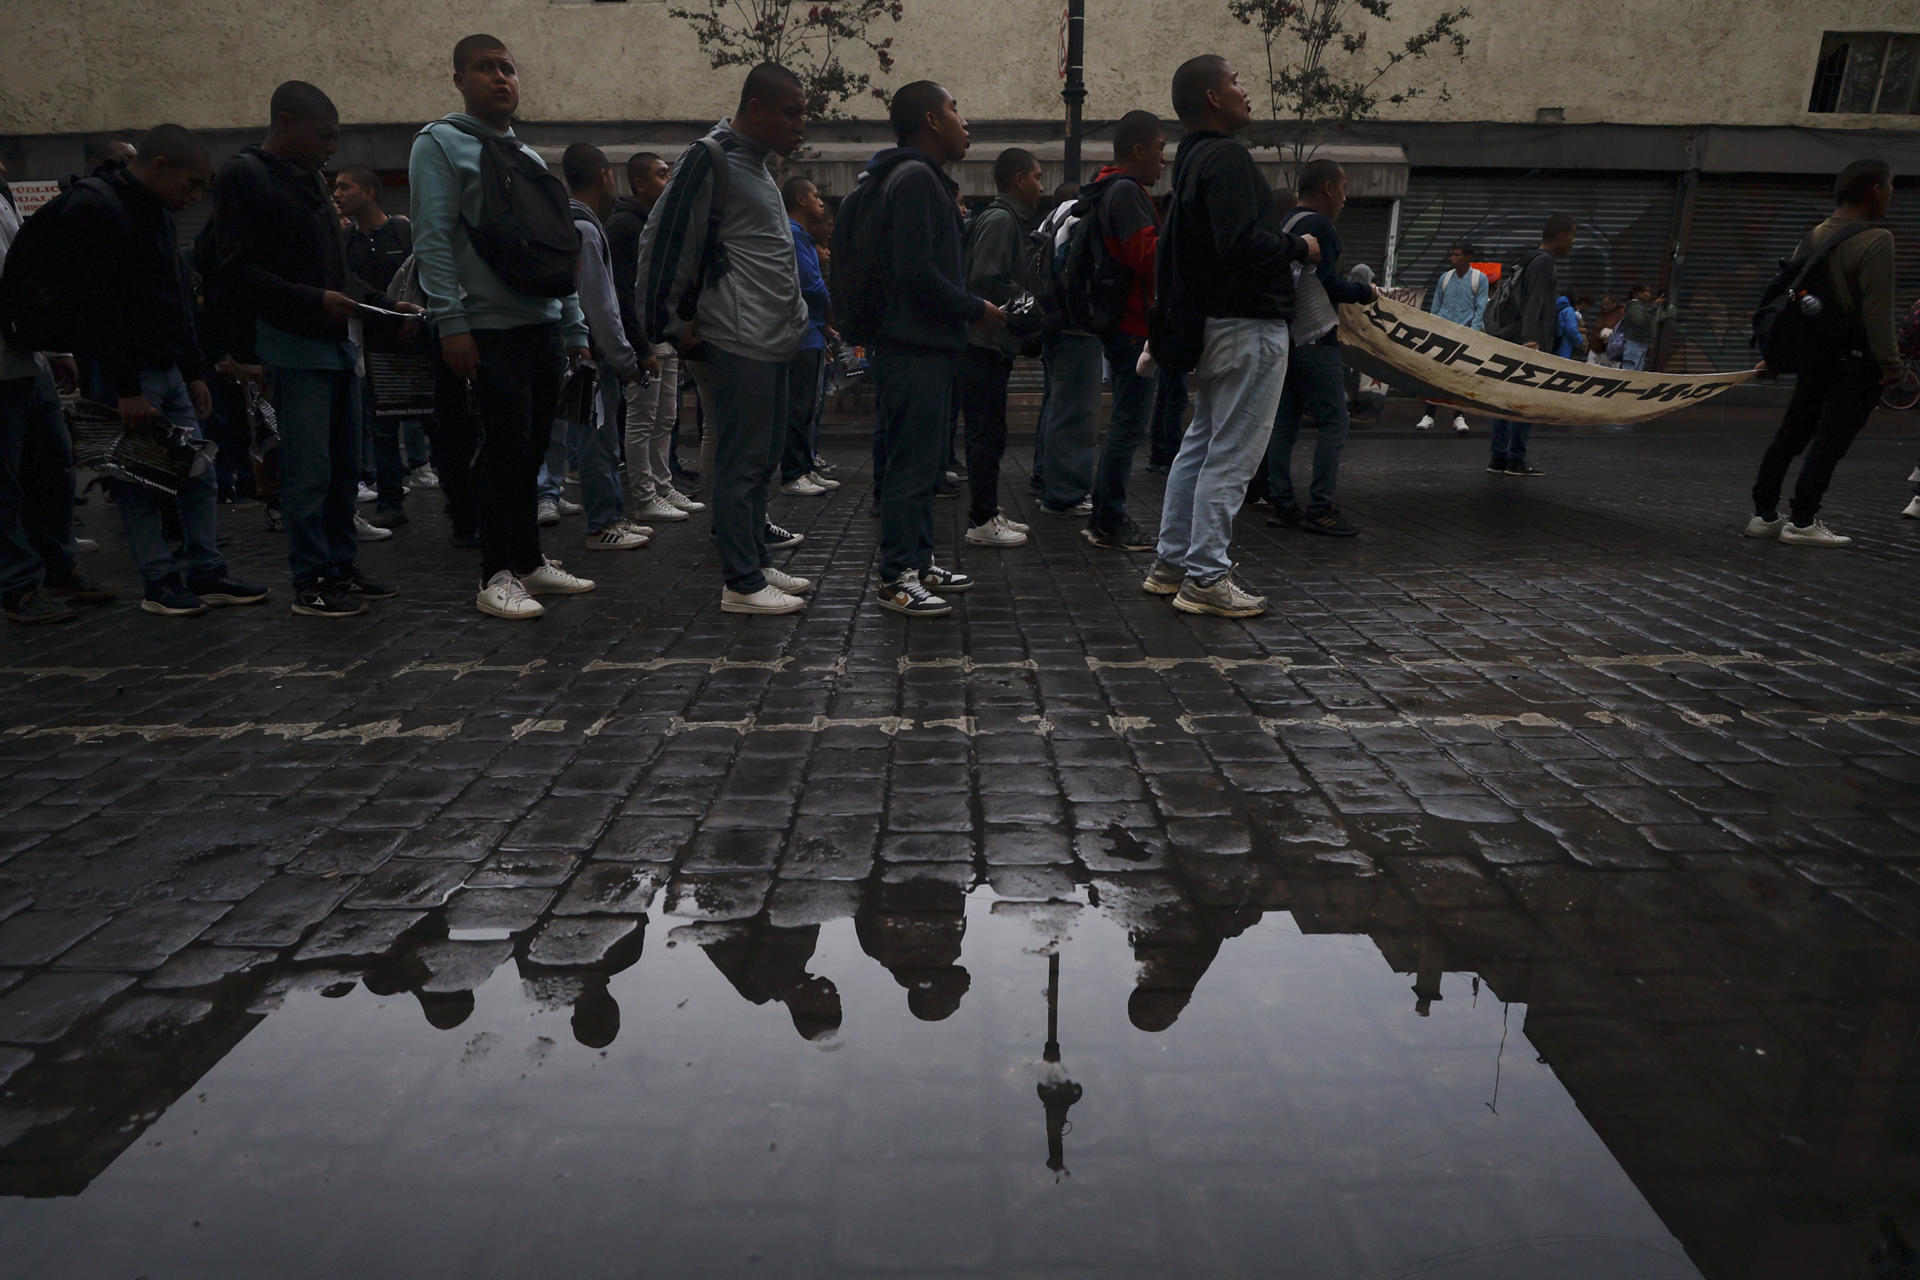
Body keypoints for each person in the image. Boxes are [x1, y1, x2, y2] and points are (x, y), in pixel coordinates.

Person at [410, 34, 597, 620]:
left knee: (534, 449)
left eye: (508, 68)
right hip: (487, 328)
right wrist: (451, 321)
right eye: (485, 68)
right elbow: (433, 239)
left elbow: (557, 250)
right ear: (459, 79)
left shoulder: (528, 156)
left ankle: (529, 560)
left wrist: (574, 327)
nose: (500, 78)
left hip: (541, 324)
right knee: (504, 451)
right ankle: (496, 573)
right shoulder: (438, 144)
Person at [213, 81, 406, 618]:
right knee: (309, 473)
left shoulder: (310, 182)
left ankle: (341, 567)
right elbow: (236, 268)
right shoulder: (244, 176)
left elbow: (335, 272)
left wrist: (382, 303)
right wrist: (313, 300)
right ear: (285, 123)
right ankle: (311, 579)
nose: (331, 147)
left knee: (344, 471)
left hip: (336, 347)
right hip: (293, 348)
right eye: (323, 135)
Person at [65, 125, 269, 616]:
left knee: (198, 473)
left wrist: (193, 370)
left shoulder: (155, 212)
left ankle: (206, 570)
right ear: (160, 167)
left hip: (168, 371)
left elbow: (173, 301)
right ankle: (159, 583)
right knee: (138, 483)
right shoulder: (101, 208)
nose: (195, 197)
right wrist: (125, 388)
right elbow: (98, 310)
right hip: (129, 377)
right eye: (193, 185)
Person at [1141, 55, 1319, 618]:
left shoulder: (1191, 161)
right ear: (1213, 99)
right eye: (1235, 81)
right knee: (1233, 453)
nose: (1245, 90)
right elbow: (1239, 243)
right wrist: (1299, 248)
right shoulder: (1229, 159)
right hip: (1250, 326)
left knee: (1199, 445)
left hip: (1216, 326)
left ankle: (1171, 564)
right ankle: (1206, 578)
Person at [636, 62, 816, 615]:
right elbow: (663, 243)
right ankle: (741, 583)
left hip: (772, 340)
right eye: (791, 113)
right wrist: (664, 326)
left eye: (803, 114)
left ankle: (754, 561)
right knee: (741, 462)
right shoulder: (708, 157)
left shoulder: (757, 166)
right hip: (738, 341)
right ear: (755, 108)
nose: (800, 125)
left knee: (760, 461)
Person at [859, 80, 1003, 617]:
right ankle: (898, 575)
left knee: (924, 465)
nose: (966, 122)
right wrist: (976, 309)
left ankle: (918, 561)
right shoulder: (916, 178)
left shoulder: (914, 177)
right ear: (931, 120)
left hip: (925, 346)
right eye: (955, 108)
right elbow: (916, 271)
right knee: (910, 465)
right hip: (914, 346)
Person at [1744, 159, 1902, 548]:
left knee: (1791, 434)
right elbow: (1877, 310)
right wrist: (1891, 364)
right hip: (1855, 360)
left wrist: (1780, 355)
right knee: (1829, 442)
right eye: (1891, 186)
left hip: (1815, 356)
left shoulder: (1813, 236)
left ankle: (1764, 516)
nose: (1892, 194)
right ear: (1874, 191)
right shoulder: (1878, 240)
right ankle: (1801, 521)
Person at [0, 156, 114, 624]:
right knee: (5, 482)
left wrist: (53, 344)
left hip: (28, 358)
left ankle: (56, 567)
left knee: (52, 466)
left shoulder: (4, 199)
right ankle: (15, 585)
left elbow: (24, 275)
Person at [1261, 157, 1379, 538]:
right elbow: (1329, 283)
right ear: (1328, 188)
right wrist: (1365, 293)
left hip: (1286, 337)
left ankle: (1281, 502)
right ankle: (1321, 507)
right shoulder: (1321, 227)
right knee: (1335, 421)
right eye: (1343, 190)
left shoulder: (1288, 222)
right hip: (1314, 337)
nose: (1345, 199)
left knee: (1285, 423)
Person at [1078, 109, 1166, 552]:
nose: (1163, 160)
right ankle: (1109, 520)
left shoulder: (1105, 187)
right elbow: (1147, 258)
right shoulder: (1127, 192)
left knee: (1125, 426)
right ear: (1138, 149)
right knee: (1127, 427)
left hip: (1122, 324)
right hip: (1133, 327)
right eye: (1159, 148)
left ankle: (1103, 516)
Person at [559, 142, 652, 552]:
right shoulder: (585, 228)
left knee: (602, 439)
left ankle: (611, 515)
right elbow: (600, 303)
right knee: (598, 442)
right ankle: (601, 526)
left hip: (583, 351)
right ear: (603, 175)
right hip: (592, 356)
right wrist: (624, 358)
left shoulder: (571, 220)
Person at [334, 164, 435, 526]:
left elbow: (426, 275)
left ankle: (461, 503)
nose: (338, 194)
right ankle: (390, 501)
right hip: (373, 347)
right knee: (382, 427)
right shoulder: (344, 241)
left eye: (345, 186)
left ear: (370, 192)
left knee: (436, 420)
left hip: (417, 344)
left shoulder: (403, 231)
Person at [606, 150, 701, 524]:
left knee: (666, 417)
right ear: (639, 183)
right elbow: (623, 292)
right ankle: (645, 494)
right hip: (644, 339)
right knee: (642, 418)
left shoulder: (657, 222)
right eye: (662, 174)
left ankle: (663, 484)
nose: (668, 180)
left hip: (665, 335)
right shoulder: (624, 226)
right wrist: (640, 344)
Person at [957, 146, 1043, 549]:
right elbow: (985, 279)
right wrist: (1029, 303)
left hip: (988, 344)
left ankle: (988, 510)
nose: (1041, 187)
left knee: (991, 431)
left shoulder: (1002, 219)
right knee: (985, 433)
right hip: (982, 343)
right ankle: (982, 518)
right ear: (1020, 179)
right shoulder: (1001, 220)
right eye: (1038, 177)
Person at [1484, 213, 1574, 477]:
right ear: (1560, 235)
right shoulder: (1544, 263)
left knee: (1505, 400)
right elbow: (1535, 302)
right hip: (1527, 342)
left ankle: (1498, 457)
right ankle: (1516, 459)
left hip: (1511, 338)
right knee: (1524, 401)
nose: (1572, 241)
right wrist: (1530, 339)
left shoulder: (1529, 258)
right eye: (1572, 235)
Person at [776, 176, 840, 498]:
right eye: (815, 196)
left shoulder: (800, 235)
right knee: (798, 408)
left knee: (807, 408)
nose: (820, 201)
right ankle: (793, 472)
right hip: (801, 337)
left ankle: (805, 468)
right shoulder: (795, 234)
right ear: (800, 200)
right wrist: (828, 303)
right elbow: (810, 285)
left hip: (812, 334)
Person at [1416, 243, 1485, 432]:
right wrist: (1433, 328)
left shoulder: (1480, 279)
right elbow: (1436, 306)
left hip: (1465, 335)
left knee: (1460, 377)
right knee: (1435, 375)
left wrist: (1473, 332)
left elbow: (1480, 307)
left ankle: (1459, 416)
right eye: (1452, 255)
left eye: (1457, 255)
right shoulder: (1444, 278)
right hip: (1443, 334)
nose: (1452, 258)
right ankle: (1429, 415)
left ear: (1468, 257)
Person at [1617, 282, 1674, 371]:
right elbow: (1640, 321)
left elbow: (1657, 318)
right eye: (1643, 291)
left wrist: (1670, 307)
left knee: (1636, 373)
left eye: (1648, 291)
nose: (1647, 294)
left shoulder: (1643, 306)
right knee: (1628, 372)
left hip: (1642, 344)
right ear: (1635, 294)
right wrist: (1655, 305)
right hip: (1634, 344)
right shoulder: (1633, 306)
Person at [1555, 294, 1587, 360]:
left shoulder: (1557, 306)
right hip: (1563, 345)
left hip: (1555, 342)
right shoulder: (1569, 310)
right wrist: (1580, 341)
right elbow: (1571, 329)